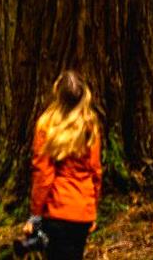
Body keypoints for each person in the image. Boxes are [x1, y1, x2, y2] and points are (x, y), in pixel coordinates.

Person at [24, 70, 102, 260]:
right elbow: (95, 172)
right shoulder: (90, 126)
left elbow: (43, 175)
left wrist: (35, 215)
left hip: (56, 212)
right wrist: (92, 210)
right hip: (82, 214)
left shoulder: (46, 125)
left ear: (57, 94)